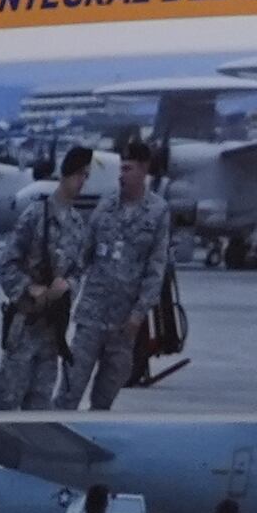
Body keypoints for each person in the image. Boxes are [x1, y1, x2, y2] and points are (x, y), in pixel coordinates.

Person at [64, 132, 174, 412]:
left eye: (128, 169)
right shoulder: (106, 206)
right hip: (91, 315)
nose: (121, 175)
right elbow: (83, 254)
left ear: (144, 169)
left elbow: (156, 268)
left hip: (124, 324)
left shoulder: (158, 212)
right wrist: (66, 288)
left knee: (105, 397)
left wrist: (139, 313)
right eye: (121, 168)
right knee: (69, 388)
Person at [0, 156, 88, 409]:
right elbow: (6, 265)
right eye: (78, 174)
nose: (82, 181)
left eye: (86, 176)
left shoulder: (78, 225)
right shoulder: (35, 215)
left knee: (39, 406)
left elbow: (78, 272)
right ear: (65, 175)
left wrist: (67, 288)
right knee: (8, 403)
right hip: (26, 324)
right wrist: (30, 288)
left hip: (52, 331)